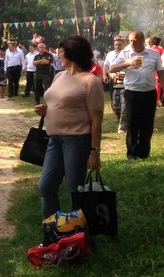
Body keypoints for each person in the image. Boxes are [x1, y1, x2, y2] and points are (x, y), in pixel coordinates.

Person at [35, 36, 103, 220]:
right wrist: (46, 109)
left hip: (77, 141)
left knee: (75, 190)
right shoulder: (59, 76)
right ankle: (54, 228)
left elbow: (96, 121)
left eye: (61, 52)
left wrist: (95, 152)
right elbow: (58, 101)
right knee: (46, 186)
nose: (58, 55)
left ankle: (79, 230)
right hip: (54, 140)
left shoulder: (90, 82)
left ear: (73, 54)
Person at [109, 31, 164, 160]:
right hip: (132, 92)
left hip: (149, 92)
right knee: (132, 123)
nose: (132, 43)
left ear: (142, 40)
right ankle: (132, 153)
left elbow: (161, 73)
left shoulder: (153, 54)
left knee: (147, 124)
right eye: (130, 41)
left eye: (135, 40)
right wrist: (128, 63)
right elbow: (112, 68)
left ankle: (143, 152)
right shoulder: (125, 53)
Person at [103, 38, 127, 134]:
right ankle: (120, 118)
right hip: (113, 81)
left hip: (124, 81)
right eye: (116, 45)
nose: (117, 46)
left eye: (119, 45)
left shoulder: (126, 54)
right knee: (115, 105)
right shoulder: (110, 54)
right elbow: (106, 65)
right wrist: (105, 75)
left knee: (124, 104)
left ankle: (123, 126)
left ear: (123, 45)